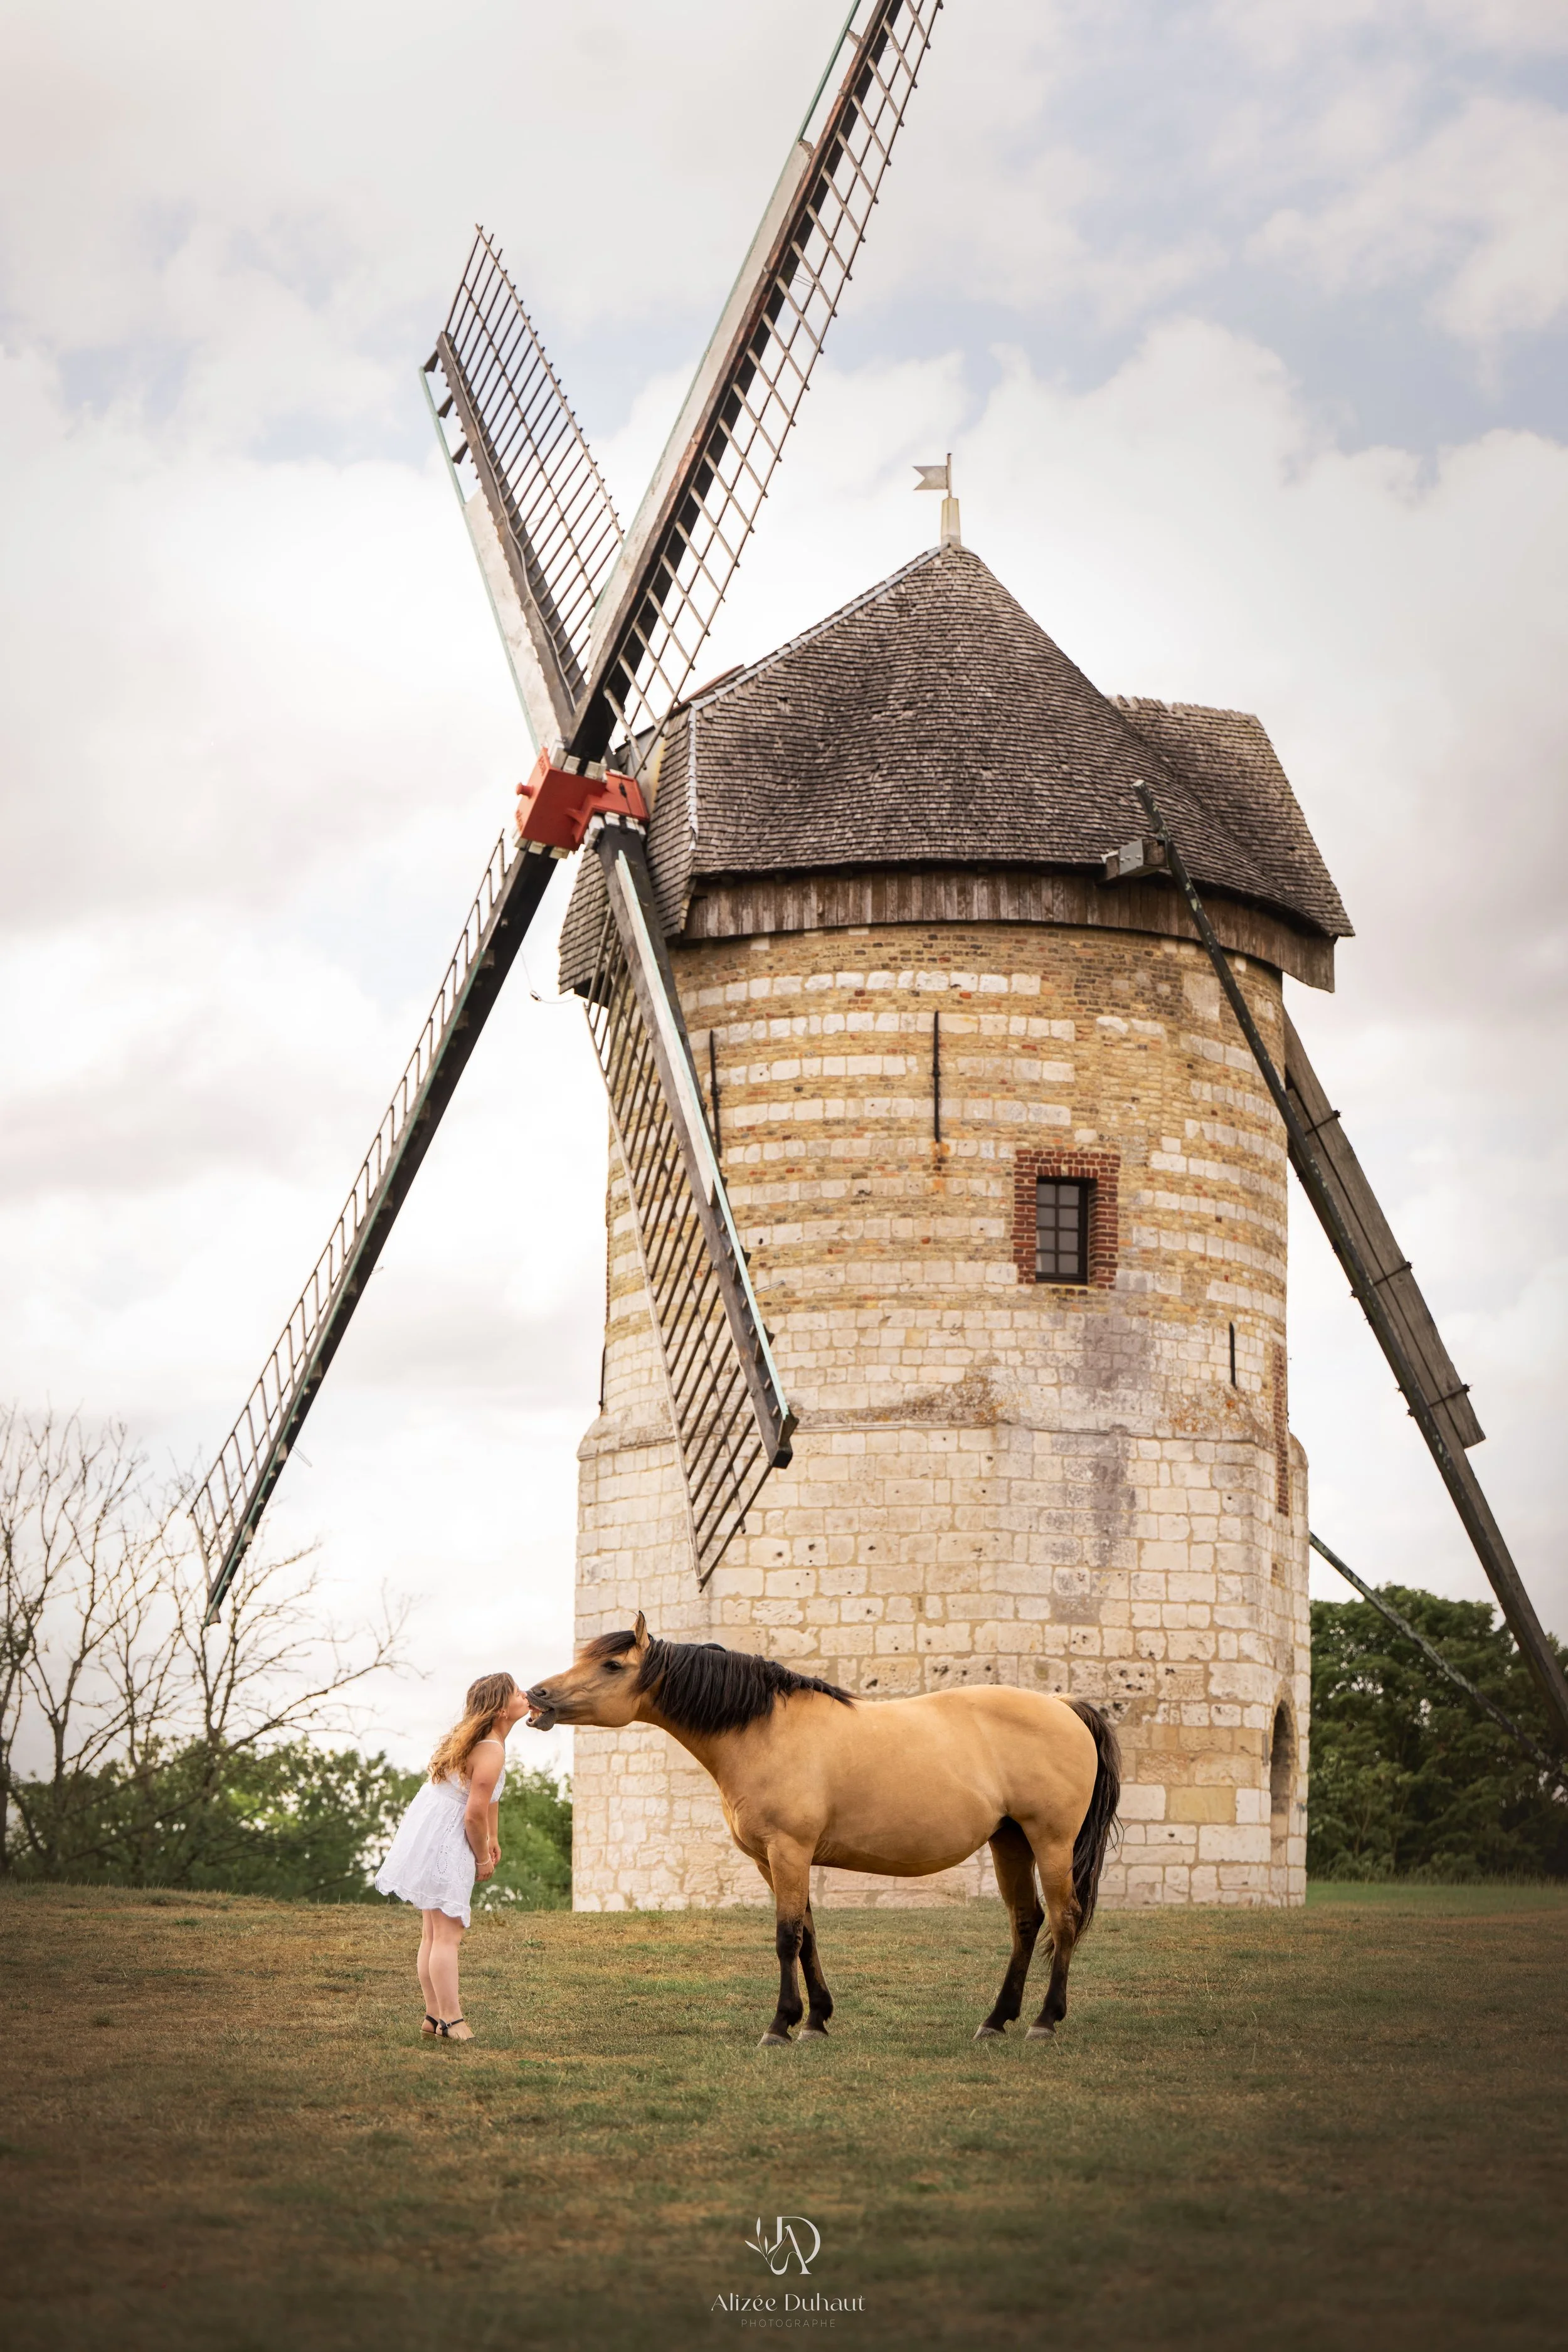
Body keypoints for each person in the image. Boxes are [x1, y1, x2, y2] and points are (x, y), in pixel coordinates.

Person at [374, 1670, 532, 2041]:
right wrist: (481, 1858)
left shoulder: (485, 1742)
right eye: (516, 1693)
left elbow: (488, 1801)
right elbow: (472, 1813)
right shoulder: (490, 1750)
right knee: (447, 1935)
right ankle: (452, 2019)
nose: (525, 1695)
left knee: (433, 1933)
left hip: (433, 1834)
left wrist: (493, 1837)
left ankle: (433, 2018)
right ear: (501, 1710)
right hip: (449, 1839)